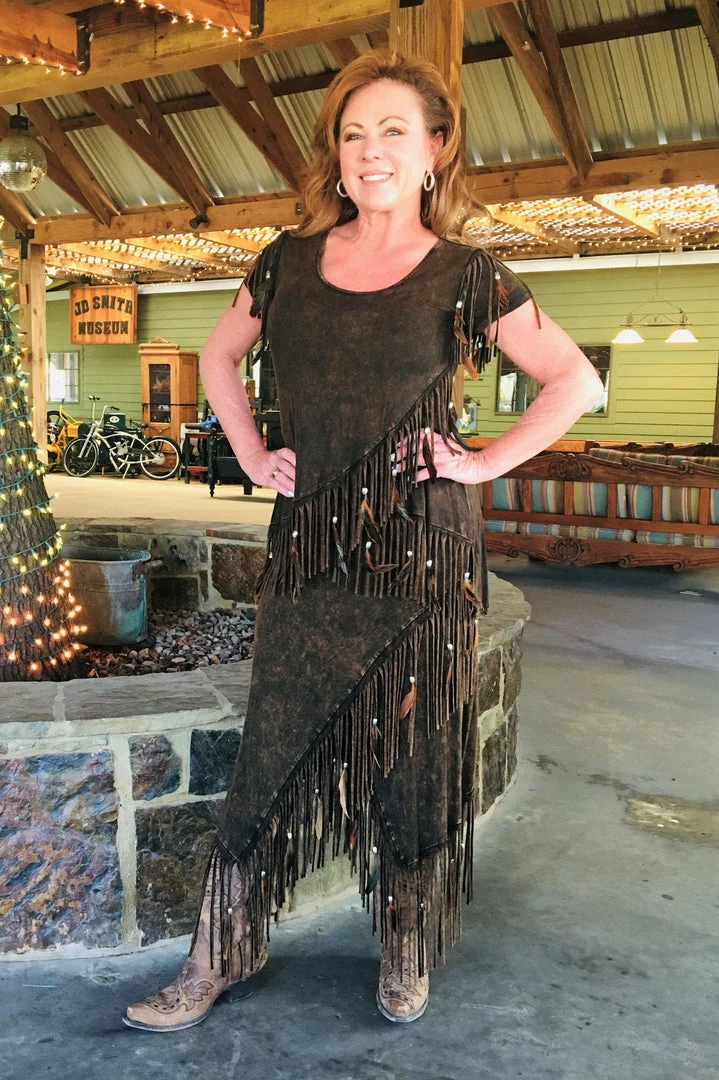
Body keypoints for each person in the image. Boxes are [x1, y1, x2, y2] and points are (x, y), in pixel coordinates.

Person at [124, 50, 603, 1032]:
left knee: (412, 756)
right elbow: (217, 355)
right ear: (335, 155)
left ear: (434, 151)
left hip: (421, 556)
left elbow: (574, 382)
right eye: (352, 133)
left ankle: (405, 940)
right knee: (271, 746)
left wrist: (481, 463)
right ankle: (224, 945)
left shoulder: (466, 274)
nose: (370, 150)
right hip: (310, 552)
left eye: (392, 131)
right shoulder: (286, 263)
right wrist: (249, 449)